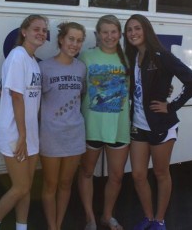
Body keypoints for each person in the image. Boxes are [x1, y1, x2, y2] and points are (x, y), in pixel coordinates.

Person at [124, 14, 192, 230]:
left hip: (161, 126)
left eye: (137, 28)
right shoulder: (132, 58)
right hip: (138, 125)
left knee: (160, 173)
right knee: (138, 175)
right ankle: (148, 217)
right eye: (129, 30)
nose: (133, 33)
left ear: (146, 30)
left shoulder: (160, 55)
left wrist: (171, 105)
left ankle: (159, 220)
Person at [0, 14, 48, 230]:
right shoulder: (17, 55)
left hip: (29, 134)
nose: (41, 33)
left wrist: (29, 134)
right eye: (36, 28)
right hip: (15, 133)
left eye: (44, 30)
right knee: (20, 187)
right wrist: (22, 135)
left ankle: (22, 227)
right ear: (24, 32)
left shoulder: (32, 62)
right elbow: (16, 97)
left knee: (26, 187)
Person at [77, 15, 130, 230]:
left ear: (119, 34)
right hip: (92, 125)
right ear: (98, 35)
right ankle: (90, 217)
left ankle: (107, 216)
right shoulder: (86, 57)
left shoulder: (128, 59)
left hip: (119, 126)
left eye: (113, 32)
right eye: (105, 32)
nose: (109, 36)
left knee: (116, 176)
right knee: (87, 172)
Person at [39, 22, 87, 230]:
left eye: (79, 40)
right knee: (50, 185)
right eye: (71, 39)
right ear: (61, 39)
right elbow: (35, 100)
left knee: (66, 184)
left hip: (75, 134)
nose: (74, 44)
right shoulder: (44, 67)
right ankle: (53, 227)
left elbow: (81, 95)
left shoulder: (81, 68)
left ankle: (59, 224)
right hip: (51, 134)